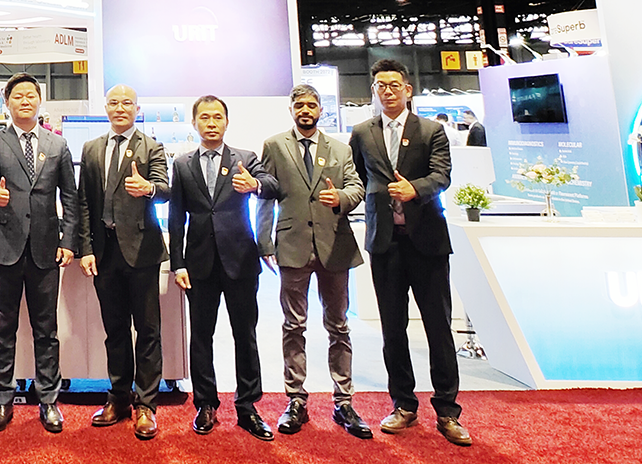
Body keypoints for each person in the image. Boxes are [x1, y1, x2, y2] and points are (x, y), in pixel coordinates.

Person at [349, 59, 469, 446]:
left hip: (427, 242)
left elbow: (442, 175)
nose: (387, 91)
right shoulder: (362, 132)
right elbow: (358, 177)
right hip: (385, 243)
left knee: (438, 328)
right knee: (393, 329)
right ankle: (403, 405)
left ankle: (447, 411)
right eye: (380, 86)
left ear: (407, 89)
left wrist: (415, 189)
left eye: (394, 85)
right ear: (374, 90)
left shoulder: (431, 130)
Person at [256, 85, 372, 439]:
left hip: (334, 245)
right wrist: (264, 242)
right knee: (294, 325)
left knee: (339, 326)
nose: (305, 110)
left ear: (321, 109)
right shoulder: (274, 146)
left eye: (311, 105)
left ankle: (344, 401)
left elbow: (357, 187)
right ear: (291, 109)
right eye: (299, 105)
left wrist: (341, 197)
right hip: (291, 246)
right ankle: (296, 400)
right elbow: (266, 195)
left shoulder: (340, 148)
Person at [168, 95, 278, 441]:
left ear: (227, 122)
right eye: (205, 117)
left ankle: (248, 406)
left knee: (245, 335)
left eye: (217, 117)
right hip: (199, 264)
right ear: (194, 123)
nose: (212, 123)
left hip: (240, 261)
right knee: (201, 337)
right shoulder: (182, 164)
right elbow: (175, 217)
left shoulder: (246, 158)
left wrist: (255, 185)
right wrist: (177, 263)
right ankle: (205, 404)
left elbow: (274, 185)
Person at [0, 72, 78, 434]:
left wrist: (69, 241)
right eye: (17, 96)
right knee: (3, 329)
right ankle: (3, 399)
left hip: (45, 250)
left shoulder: (57, 144)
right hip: (3, 247)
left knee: (46, 330)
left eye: (30, 96)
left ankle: (48, 400)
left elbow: (70, 197)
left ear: (39, 101)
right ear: (7, 103)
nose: (24, 101)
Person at [76, 84, 170, 440]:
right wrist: (86, 247)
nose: (120, 108)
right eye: (113, 102)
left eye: (126, 103)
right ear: (106, 108)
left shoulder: (152, 147)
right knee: (114, 330)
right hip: (104, 252)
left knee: (147, 330)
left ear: (137, 109)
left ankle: (146, 404)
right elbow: (84, 201)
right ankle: (118, 397)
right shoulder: (91, 148)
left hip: (142, 250)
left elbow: (166, 189)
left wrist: (149, 189)